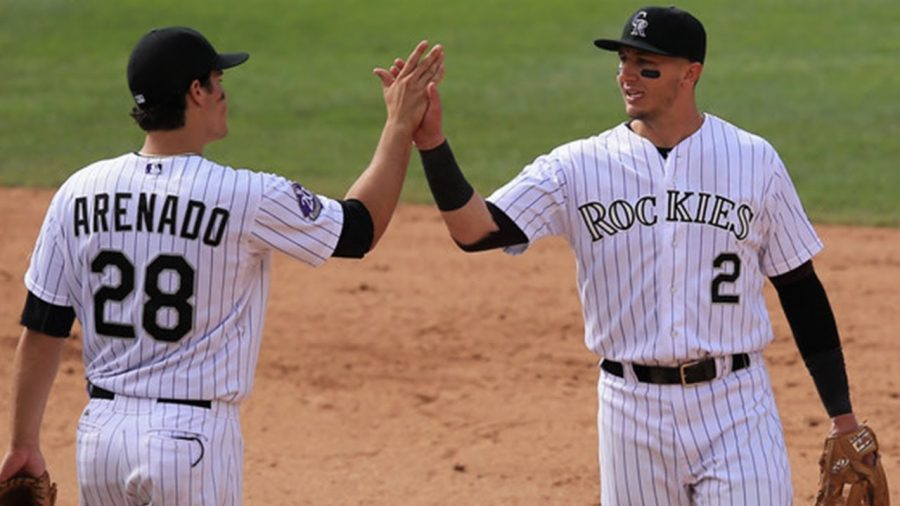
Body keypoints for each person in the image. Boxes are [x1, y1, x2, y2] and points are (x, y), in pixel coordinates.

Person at [405, 6, 871, 505]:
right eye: (624, 61)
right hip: (631, 410)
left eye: (646, 65)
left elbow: (799, 287)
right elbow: (475, 231)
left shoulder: (754, 160)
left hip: (737, 405)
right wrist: (432, 141)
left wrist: (841, 413)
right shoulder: (576, 167)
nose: (628, 76)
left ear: (690, 74)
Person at [0, 26, 442, 504]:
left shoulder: (78, 193)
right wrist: (398, 127)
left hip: (100, 438)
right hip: (191, 441)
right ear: (196, 92)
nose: (224, 91)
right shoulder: (245, 196)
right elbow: (358, 230)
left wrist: (22, 443)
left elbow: (43, 326)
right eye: (217, 78)